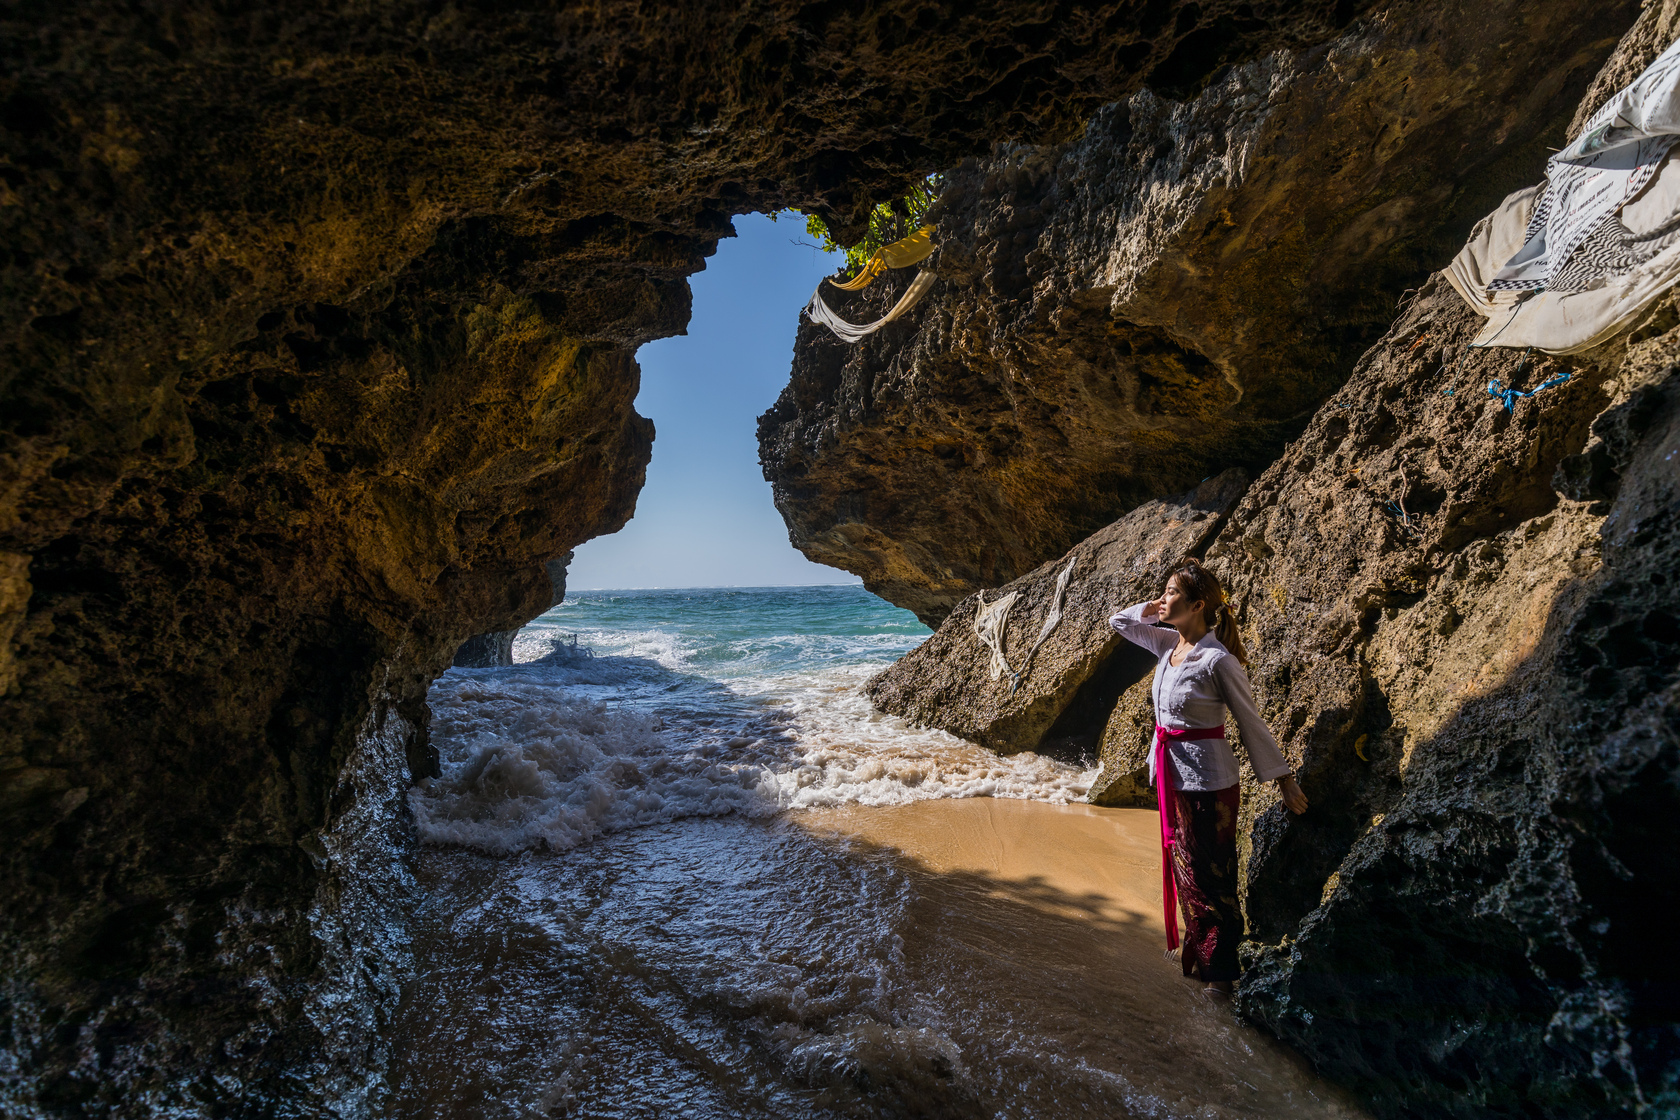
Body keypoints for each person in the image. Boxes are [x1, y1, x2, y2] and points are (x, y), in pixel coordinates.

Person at [1109, 558, 1308, 999]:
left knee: (1210, 878)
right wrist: (1152, 606)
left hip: (1208, 784)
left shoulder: (1218, 660)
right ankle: (1204, 962)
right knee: (1187, 872)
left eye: (1172, 593)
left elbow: (1250, 721)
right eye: (1164, 591)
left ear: (1198, 605)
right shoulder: (1167, 644)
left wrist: (1283, 780)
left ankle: (1221, 978)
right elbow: (1119, 621)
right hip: (1171, 777)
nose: (1163, 599)